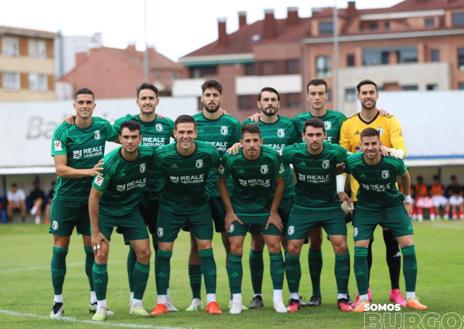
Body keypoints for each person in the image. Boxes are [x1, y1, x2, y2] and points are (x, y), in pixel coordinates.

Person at [49, 88, 116, 319]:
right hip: (65, 200)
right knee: (60, 249)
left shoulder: (102, 127)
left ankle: (94, 298)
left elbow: (129, 135)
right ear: (74, 105)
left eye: (89, 102)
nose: (85, 105)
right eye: (81, 102)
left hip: (91, 201)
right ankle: (57, 301)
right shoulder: (63, 131)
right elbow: (60, 168)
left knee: (93, 249)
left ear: (94, 105)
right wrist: (88, 172)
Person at [344, 128, 427, 312]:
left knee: (408, 245)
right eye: (366, 144)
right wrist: (342, 193)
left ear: (380, 144)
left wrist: (407, 199)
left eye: (374, 143)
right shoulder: (353, 162)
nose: (370, 147)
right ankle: (364, 299)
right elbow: (337, 168)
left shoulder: (392, 162)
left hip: (392, 205)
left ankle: (411, 297)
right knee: (360, 246)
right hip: (366, 207)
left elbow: (405, 176)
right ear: (360, 146)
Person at [340, 79, 407, 306]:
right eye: (364, 92)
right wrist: (343, 191)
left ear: (377, 95)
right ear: (358, 96)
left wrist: (390, 150)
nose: (368, 96)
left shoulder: (390, 120)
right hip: (362, 198)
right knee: (363, 245)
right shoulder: (348, 125)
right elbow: (343, 159)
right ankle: (364, 291)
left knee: (392, 244)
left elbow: (401, 151)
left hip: (389, 196)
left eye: (372, 92)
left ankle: (395, 290)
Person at [151, 115, 222, 316]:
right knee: (164, 251)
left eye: (189, 132)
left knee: (205, 248)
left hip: (199, 207)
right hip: (170, 208)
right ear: (174, 134)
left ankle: (212, 301)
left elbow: (219, 169)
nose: (185, 136)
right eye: (181, 132)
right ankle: (161, 302)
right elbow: (152, 171)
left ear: (196, 133)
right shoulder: (162, 154)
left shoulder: (208, 152)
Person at [113, 82, 176, 310]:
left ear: (157, 101)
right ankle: (134, 297)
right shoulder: (125, 124)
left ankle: (164, 297)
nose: (147, 101)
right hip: (135, 196)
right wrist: (71, 119)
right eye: (144, 98)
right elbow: (101, 132)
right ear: (137, 101)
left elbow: (190, 132)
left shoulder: (168, 126)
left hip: (161, 194)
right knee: (136, 247)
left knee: (162, 246)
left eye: (151, 98)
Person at [282, 118, 352, 313]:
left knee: (341, 245)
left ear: (325, 136)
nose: (314, 139)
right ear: (304, 136)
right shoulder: (292, 152)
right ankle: (294, 297)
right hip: (302, 207)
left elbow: (352, 160)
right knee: (293, 248)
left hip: (330, 207)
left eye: (318, 135)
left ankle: (342, 296)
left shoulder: (336, 152)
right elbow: (270, 155)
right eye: (310, 135)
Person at [218, 124, 287, 314]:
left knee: (274, 246)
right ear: (240, 143)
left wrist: (274, 212)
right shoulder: (231, 158)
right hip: (240, 210)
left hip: (265, 210)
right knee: (235, 247)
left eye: (255, 141)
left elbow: (281, 183)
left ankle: (278, 298)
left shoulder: (272, 157)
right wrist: (229, 211)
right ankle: (237, 300)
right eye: (247, 141)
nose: (251, 145)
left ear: (261, 142)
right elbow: (221, 182)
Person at [89, 120, 153, 321]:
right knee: (101, 254)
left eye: (134, 137)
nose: (130, 141)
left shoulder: (149, 154)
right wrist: (95, 231)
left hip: (130, 211)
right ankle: (101, 306)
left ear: (140, 139)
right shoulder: (109, 163)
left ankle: (136, 303)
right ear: (119, 139)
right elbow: (93, 197)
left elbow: (173, 149)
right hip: (107, 212)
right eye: (126, 137)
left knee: (144, 252)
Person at [240, 87, 298, 309]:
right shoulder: (250, 126)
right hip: (261, 196)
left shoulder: (289, 126)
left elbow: (296, 152)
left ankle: (292, 294)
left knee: (288, 244)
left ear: (279, 103)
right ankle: (257, 294)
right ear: (259, 103)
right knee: (257, 243)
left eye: (274, 99)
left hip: (287, 193)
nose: (270, 103)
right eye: (266, 99)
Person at [186, 80, 241, 311]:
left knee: (230, 243)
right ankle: (197, 299)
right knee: (196, 244)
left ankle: (233, 296)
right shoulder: (192, 123)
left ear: (221, 97)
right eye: (207, 94)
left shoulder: (231, 123)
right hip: (198, 192)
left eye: (215, 95)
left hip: (223, 192)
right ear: (202, 97)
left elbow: (240, 147)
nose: (211, 98)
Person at [292, 79, 347, 307]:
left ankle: (344, 295)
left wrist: (342, 189)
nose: (317, 97)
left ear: (327, 95)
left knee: (340, 243)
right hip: (305, 194)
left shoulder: (339, 119)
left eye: (320, 93)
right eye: (312, 93)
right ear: (307, 96)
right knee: (314, 241)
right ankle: (315, 294)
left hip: (332, 194)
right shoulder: (296, 122)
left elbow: (346, 155)